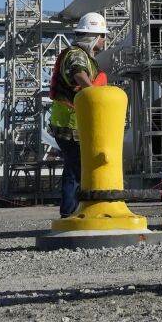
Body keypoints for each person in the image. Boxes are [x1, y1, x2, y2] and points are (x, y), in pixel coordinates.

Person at [47, 12, 110, 217]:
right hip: (68, 125)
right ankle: (70, 213)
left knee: (75, 168)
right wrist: (93, 94)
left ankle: (74, 211)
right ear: (93, 36)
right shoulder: (76, 55)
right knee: (76, 170)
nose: (104, 40)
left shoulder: (86, 57)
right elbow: (77, 72)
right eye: (102, 36)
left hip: (74, 125)